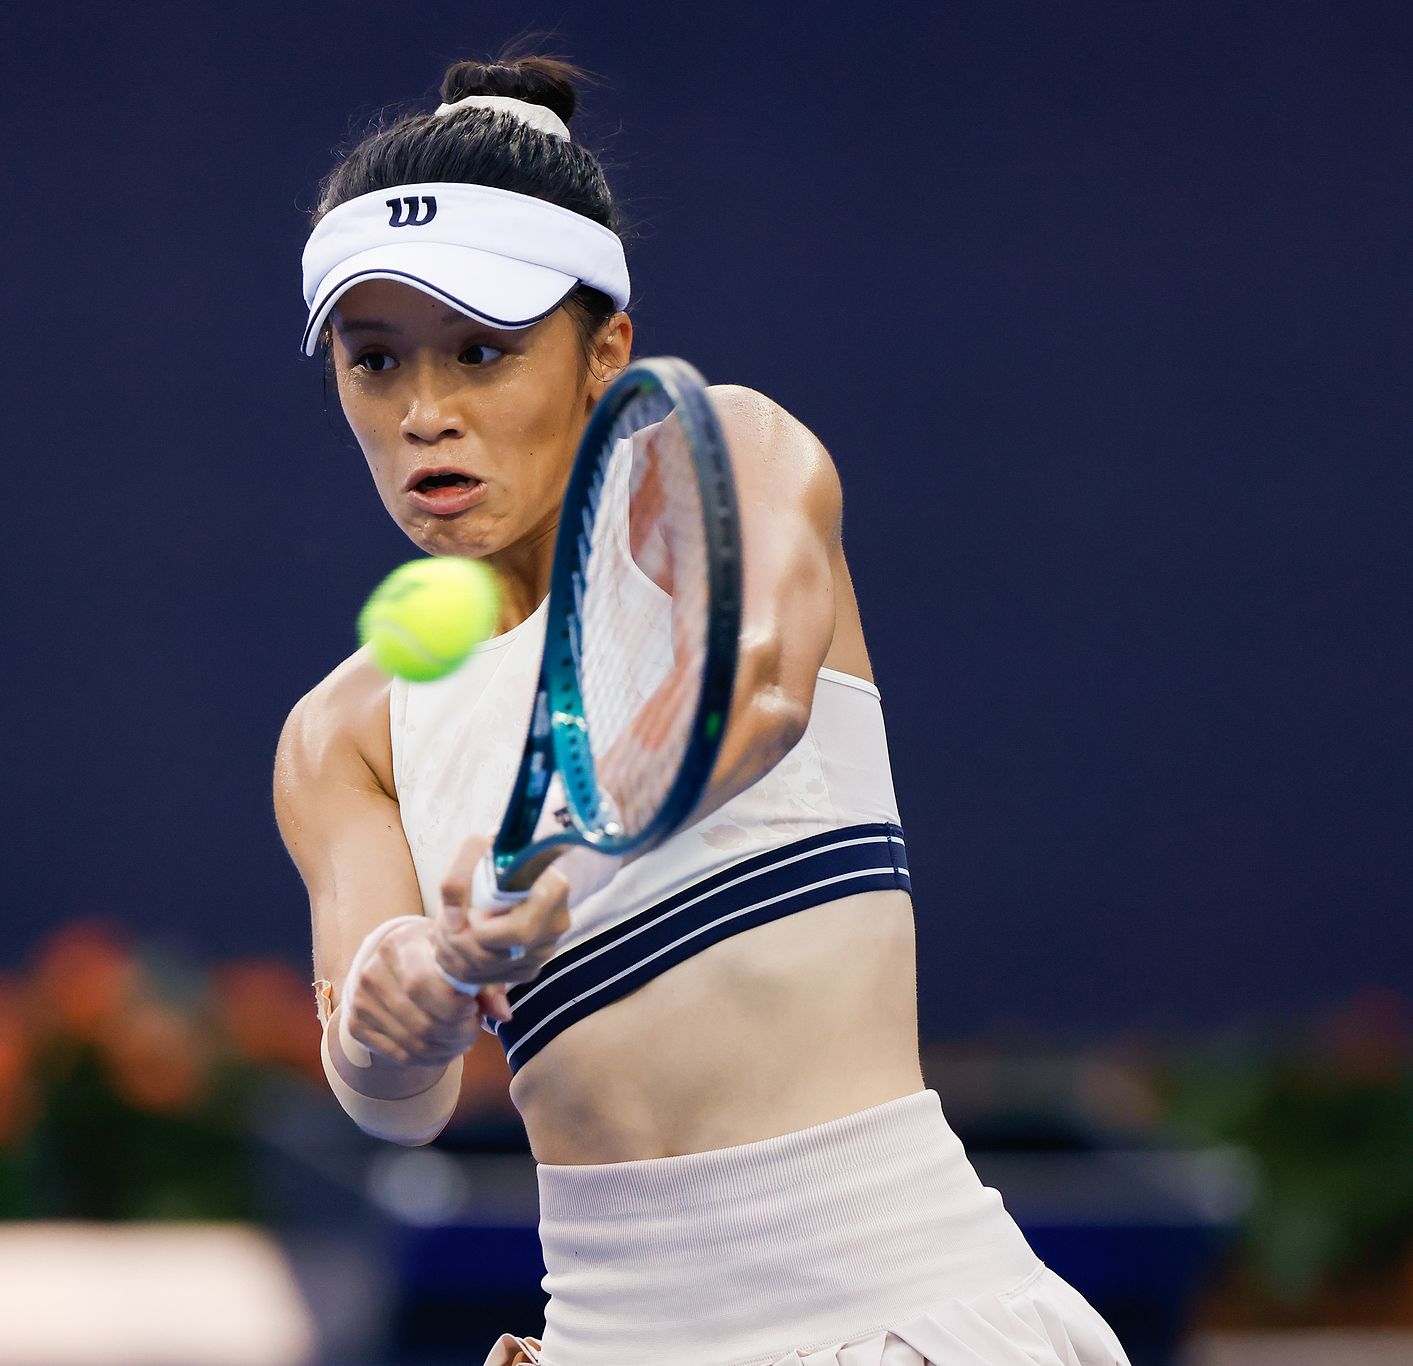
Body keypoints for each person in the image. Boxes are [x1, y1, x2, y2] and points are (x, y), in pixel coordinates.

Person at [273, 54, 1130, 1366]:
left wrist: (564, 836)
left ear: (605, 350)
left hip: (902, 1325)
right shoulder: (340, 738)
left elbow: (763, 687)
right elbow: (396, 1102)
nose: (425, 412)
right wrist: (401, 1004)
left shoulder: (715, 456)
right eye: (374, 358)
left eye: (484, 348)